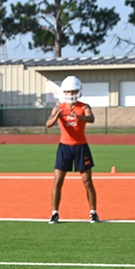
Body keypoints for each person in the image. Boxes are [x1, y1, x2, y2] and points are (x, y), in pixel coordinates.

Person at [46, 75, 99, 224]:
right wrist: (55, 117)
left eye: (74, 91)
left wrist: (78, 117)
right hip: (64, 147)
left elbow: (91, 119)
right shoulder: (59, 107)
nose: (71, 94)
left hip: (81, 147)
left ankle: (93, 212)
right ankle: (55, 213)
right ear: (64, 92)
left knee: (87, 181)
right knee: (58, 181)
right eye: (68, 92)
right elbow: (48, 124)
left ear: (79, 91)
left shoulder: (84, 107)